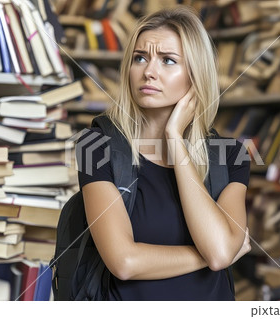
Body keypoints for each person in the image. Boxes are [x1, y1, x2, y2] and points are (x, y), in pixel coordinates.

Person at [78, 6, 251, 301]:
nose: (149, 71)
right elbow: (124, 262)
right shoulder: (96, 146)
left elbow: (221, 253)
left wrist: (175, 137)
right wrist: (208, 256)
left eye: (168, 60)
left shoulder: (229, 155)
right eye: (140, 58)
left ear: (195, 76)